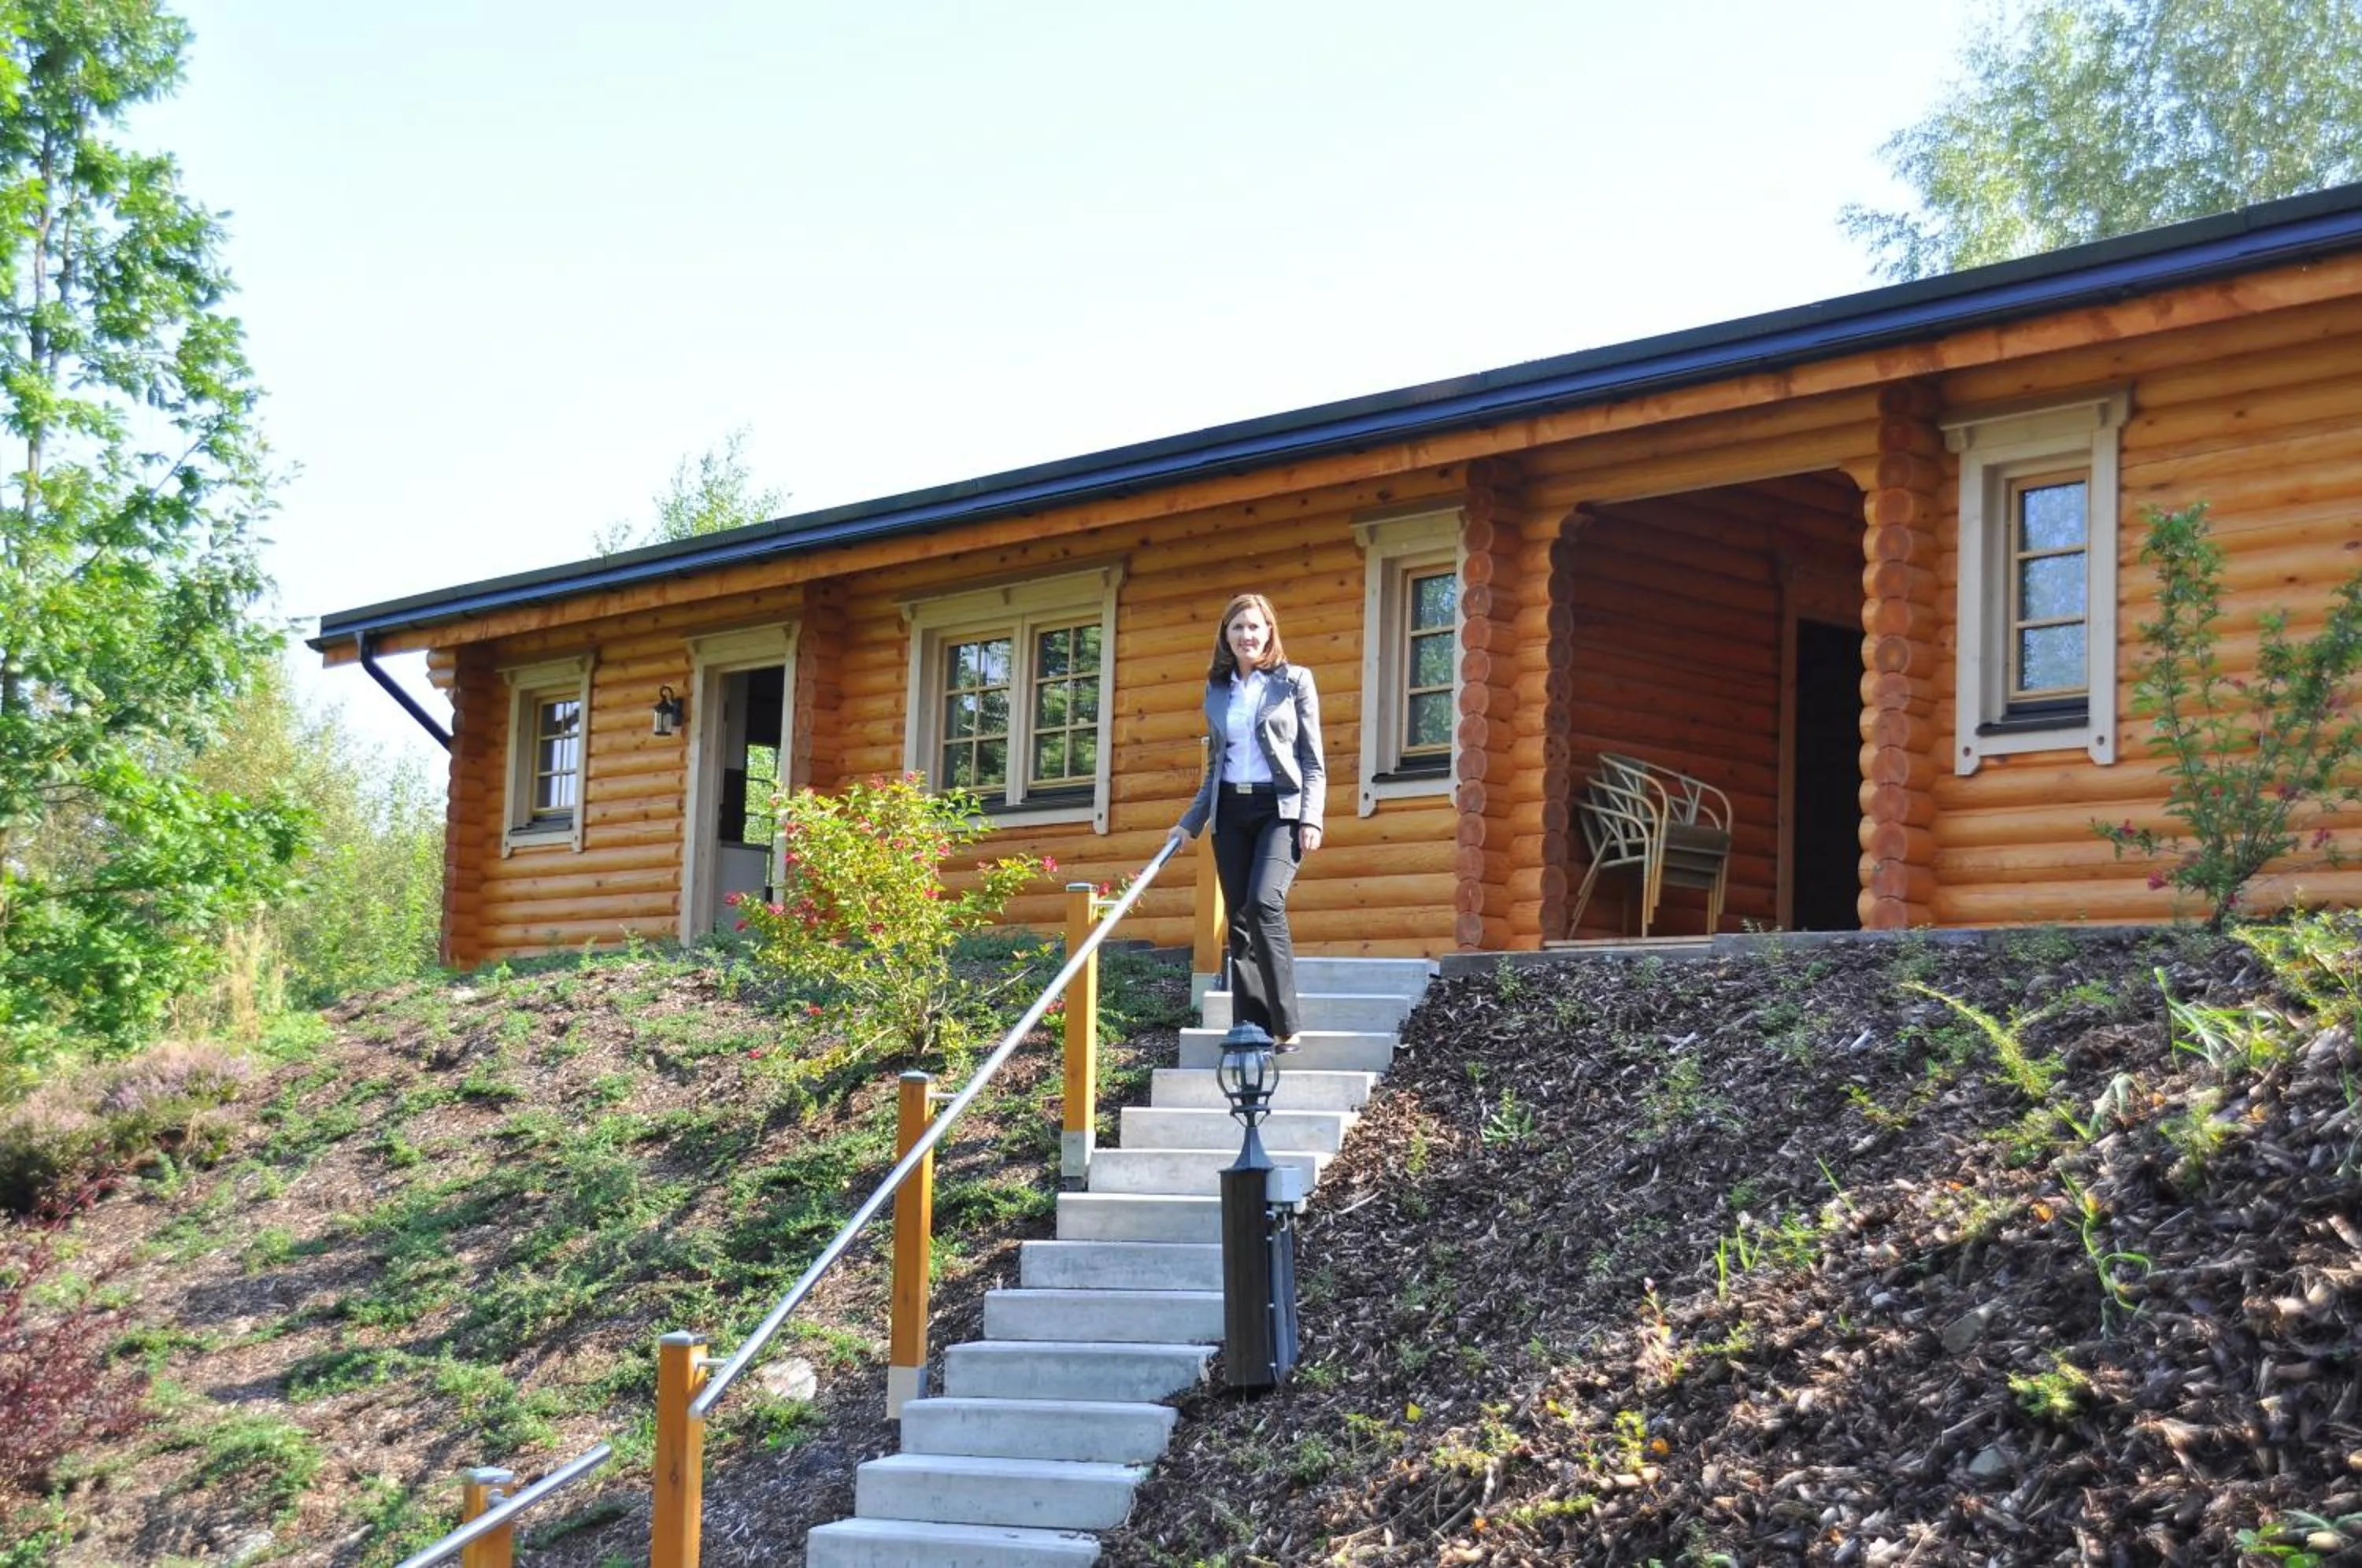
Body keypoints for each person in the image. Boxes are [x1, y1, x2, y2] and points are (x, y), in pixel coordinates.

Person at [1167, 593, 1327, 1050]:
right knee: (1238, 921)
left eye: (1255, 627)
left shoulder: (1294, 682)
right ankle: (1251, 1028)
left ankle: (1287, 1023)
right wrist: (1188, 824)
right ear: (1226, 636)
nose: (1247, 635)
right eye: (1237, 628)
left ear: (1270, 631)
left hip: (1281, 810)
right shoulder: (1218, 690)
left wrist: (1310, 816)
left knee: (1263, 904)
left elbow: (1312, 761)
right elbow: (1215, 767)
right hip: (1230, 814)